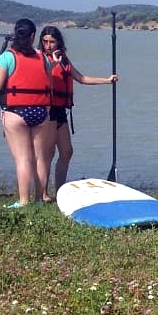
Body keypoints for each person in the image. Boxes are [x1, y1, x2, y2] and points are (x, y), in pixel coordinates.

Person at [0, 18, 56, 205]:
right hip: (40, 112)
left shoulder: (7, 57)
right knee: (39, 158)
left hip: (15, 113)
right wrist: (46, 108)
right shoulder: (43, 57)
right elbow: (50, 86)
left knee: (23, 158)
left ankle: (24, 201)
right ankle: (40, 198)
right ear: (32, 36)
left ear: (16, 34)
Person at [39, 25, 117, 200]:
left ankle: (59, 192)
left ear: (58, 42)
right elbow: (42, 77)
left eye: (52, 41)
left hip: (61, 111)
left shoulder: (64, 59)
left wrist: (106, 80)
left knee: (66, 151)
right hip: (47, 110)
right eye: (45, 42)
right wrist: (52, 62)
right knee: (47, 153)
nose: (48, 45)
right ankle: (42, 194)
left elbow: (81, 78)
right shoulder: (41, 58)